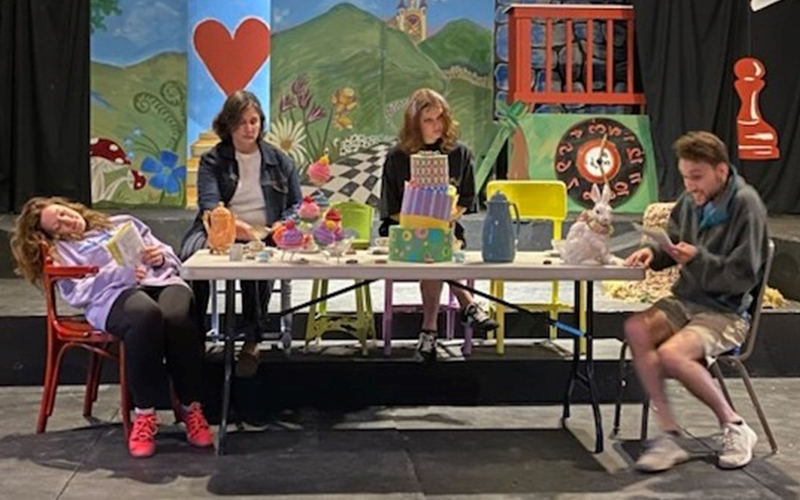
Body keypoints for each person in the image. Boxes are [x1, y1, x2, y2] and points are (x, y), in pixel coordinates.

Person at [11, 197, 214, 458]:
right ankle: (145, 413)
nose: (66, 221)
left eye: (63, 213)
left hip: (160, 281)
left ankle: (191, 408)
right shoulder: (62, 252)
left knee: (177, 317)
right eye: (57, 226)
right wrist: (120, 274)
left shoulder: (122, 223)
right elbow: (77, 292)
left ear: (70, 207)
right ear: (51, 235)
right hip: (112, 295)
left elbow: (168, 254)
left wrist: (160, 258)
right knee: (145, 316)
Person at [623, 131, 769, 472]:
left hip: (726, 309)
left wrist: (697, 258)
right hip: (687, 300)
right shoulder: (691, 200)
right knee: (637, 328)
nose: (690, 185)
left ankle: (734, 425)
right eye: (686, 176)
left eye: (697, 177)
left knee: (671, 354)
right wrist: (653, 252)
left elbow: (744, 274)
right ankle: (670, 435)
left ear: (721, 170)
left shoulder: (746, 204)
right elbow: (673, 241)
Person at [181, 90, 302, 377]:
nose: (250, 128)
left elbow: (296, 206)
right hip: (220, 229)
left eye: (255, 121)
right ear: (229, 124)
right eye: (243, 122)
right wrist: (237, 228)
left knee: (260, 263)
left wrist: (283, 226)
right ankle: (193, 338)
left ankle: (251, 341)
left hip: (266, 231)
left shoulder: (279, 160)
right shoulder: (213, 160)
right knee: (188, 259)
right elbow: (210, 207)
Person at [379, 88, 498, 361]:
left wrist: (444, 215)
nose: (437, 126)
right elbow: (391, 209)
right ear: (414, 123)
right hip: (406, 232)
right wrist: (423, 216)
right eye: (428, 120)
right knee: (432, 247)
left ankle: (428, 331)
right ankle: (468, 305)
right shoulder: (397, 157)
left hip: (447, 232)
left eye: (440, 119)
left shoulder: (460, 153)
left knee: (437, 247)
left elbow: (466, 200)